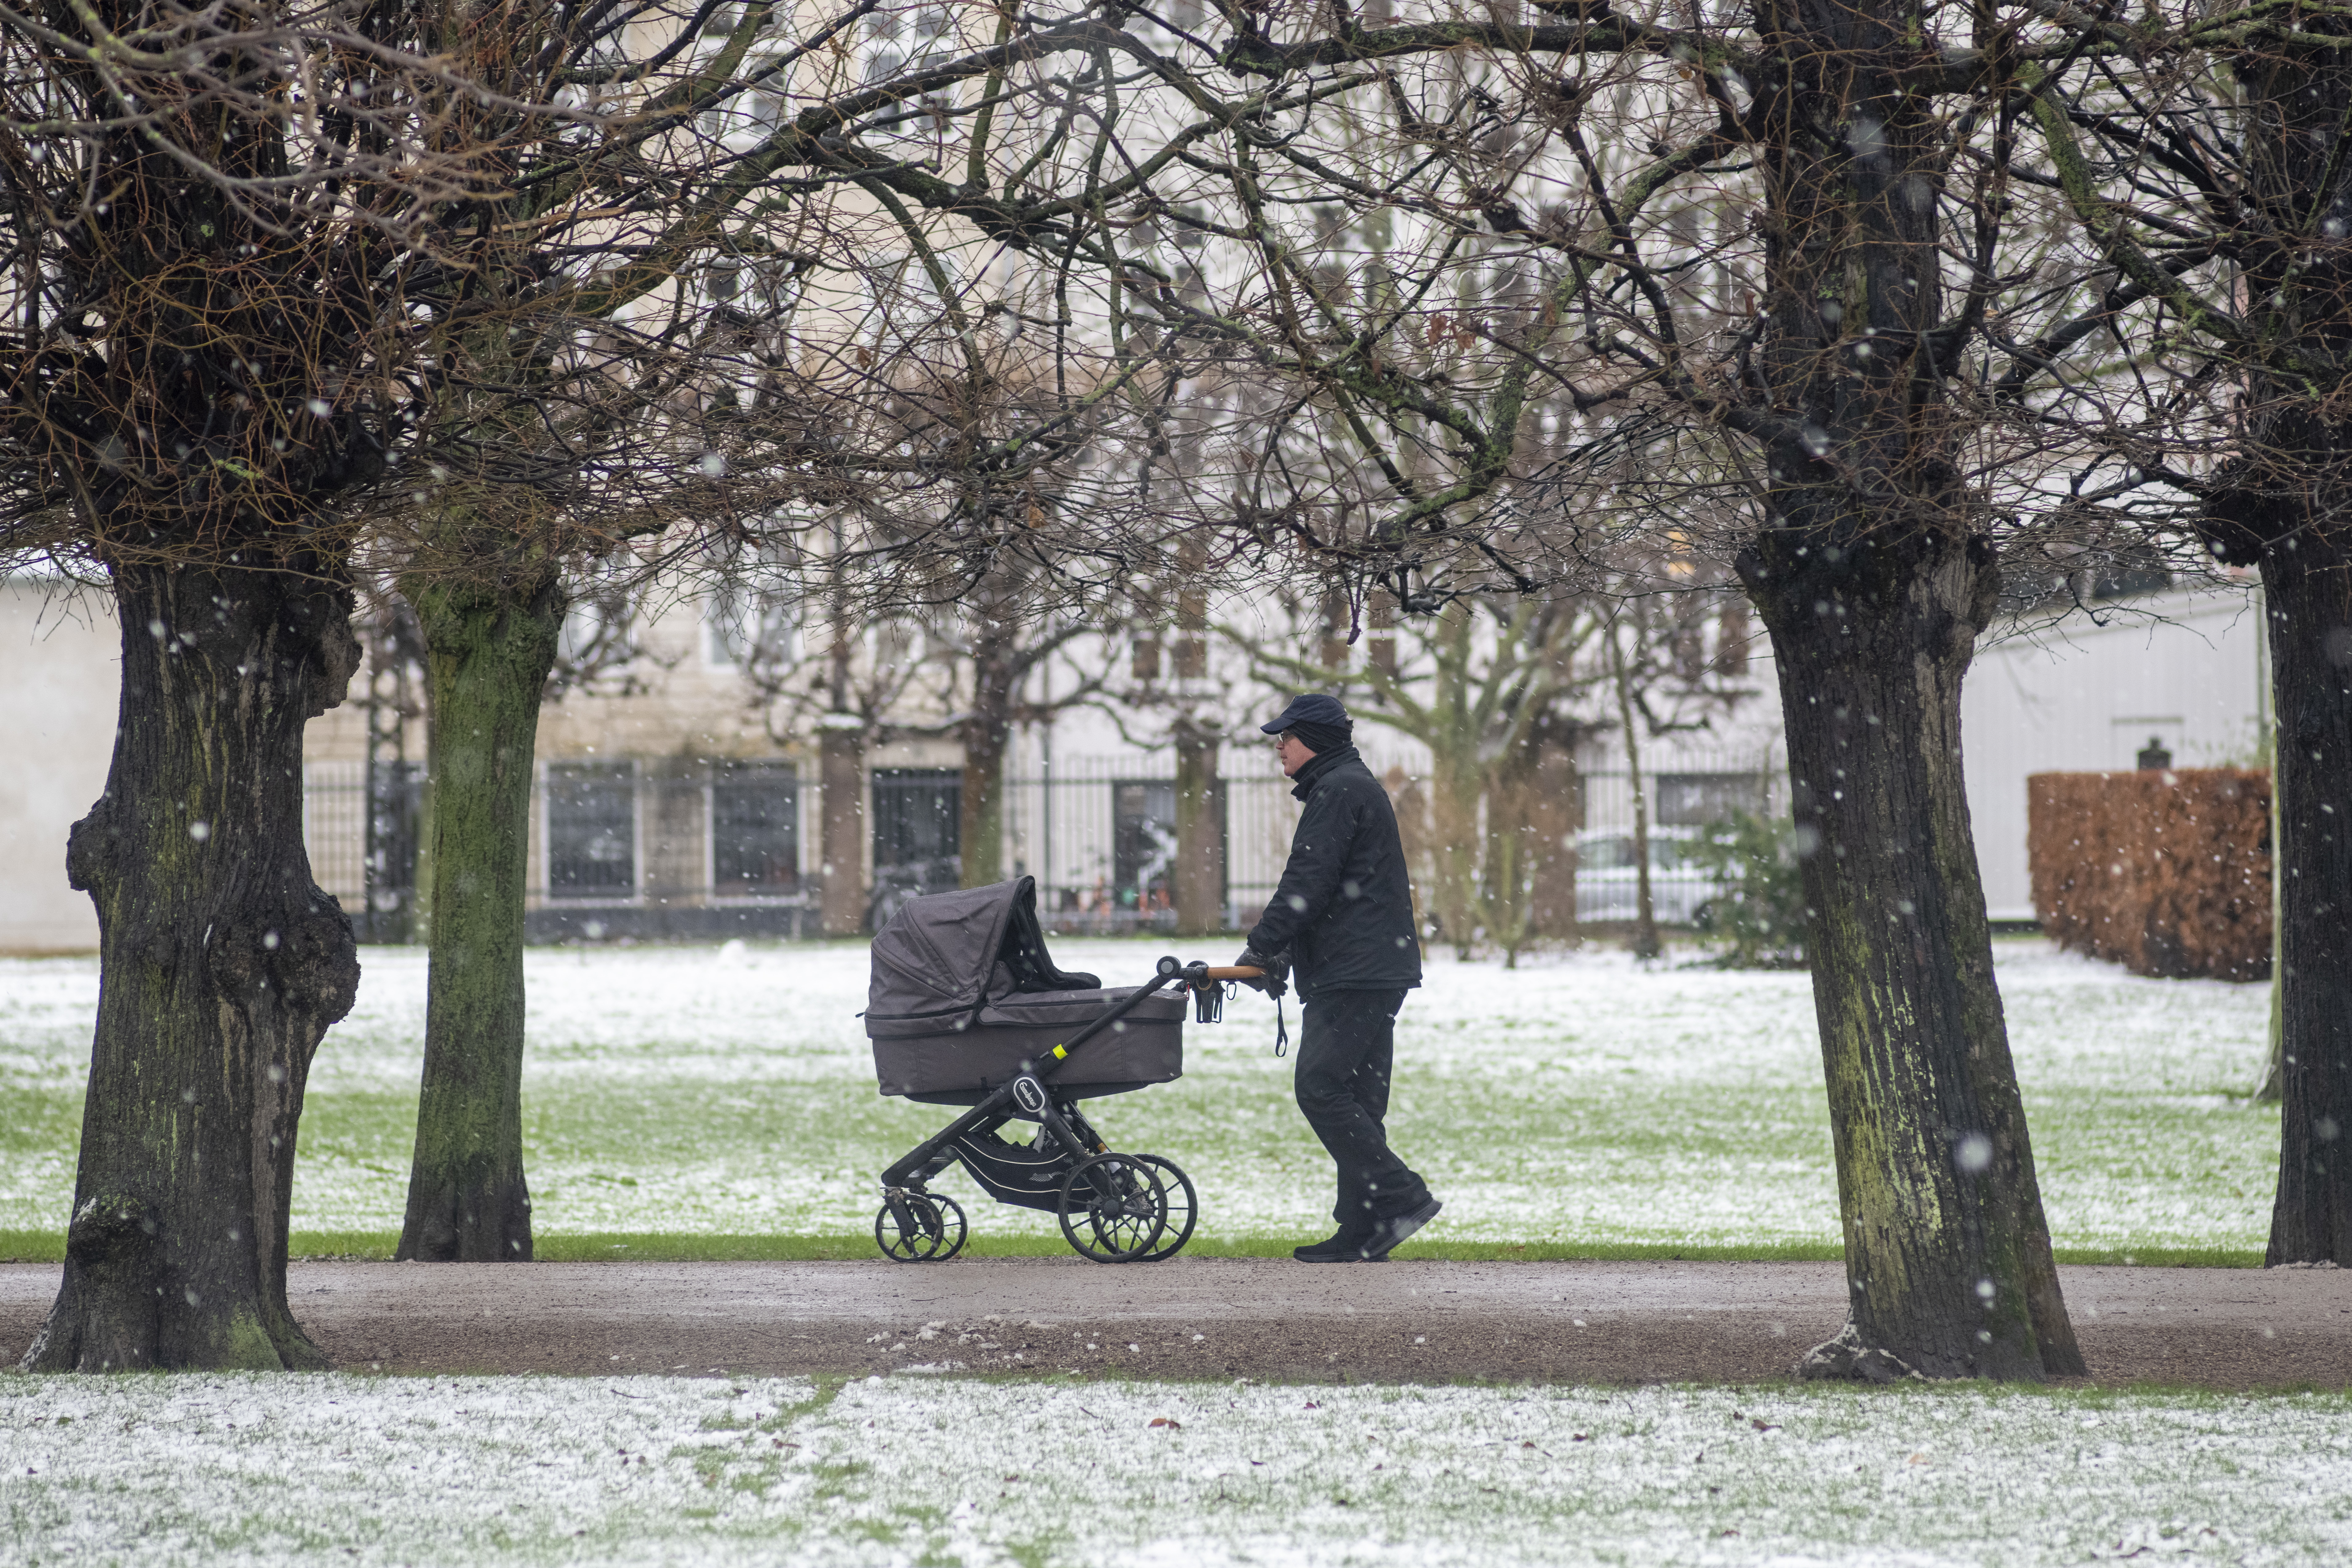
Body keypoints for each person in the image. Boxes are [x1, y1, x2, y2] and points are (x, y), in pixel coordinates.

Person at [1236, 693, 1440, 1262]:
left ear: (1316, 740)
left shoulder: (1339, 790)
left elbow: (1307, 882)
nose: (1279, 747)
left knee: (1321, 1087)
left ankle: (1402, 1195)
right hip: (1374, 967)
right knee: (1359, 1101)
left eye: (1287, 737)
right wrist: (1279, 952)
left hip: (1354, 971)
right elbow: (1323, 887)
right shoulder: (1350, 785)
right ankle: (1362, 1229)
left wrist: (1262, 946)